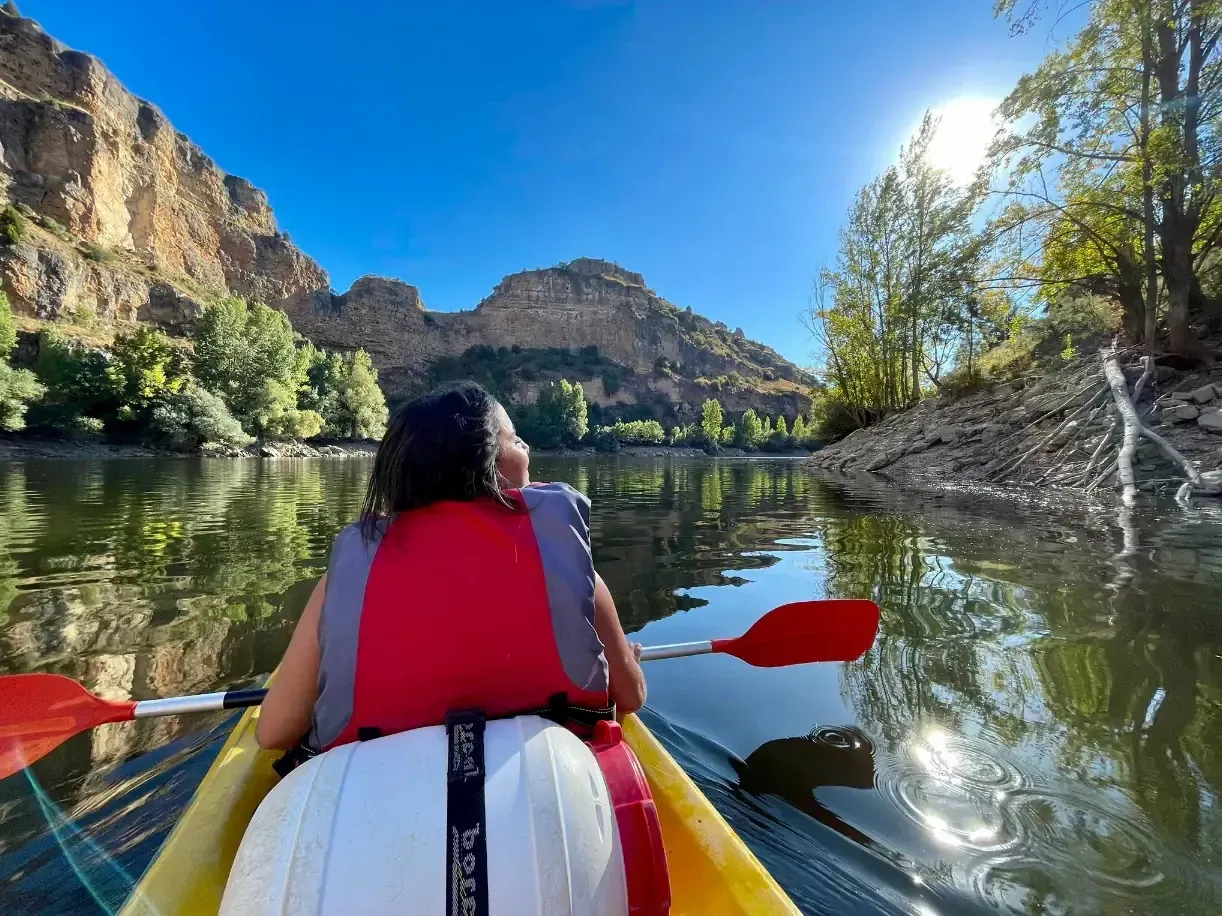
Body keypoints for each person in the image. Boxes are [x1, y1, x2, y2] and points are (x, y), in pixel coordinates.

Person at [256, 380, 646, 753]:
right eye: (515, 438)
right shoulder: (564, 558)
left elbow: (274, 731)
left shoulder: (350, 574)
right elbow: (631, 695)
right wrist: (627, 658)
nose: (525, 447)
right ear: (488, 462)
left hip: (378, 787)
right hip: (551, 773)